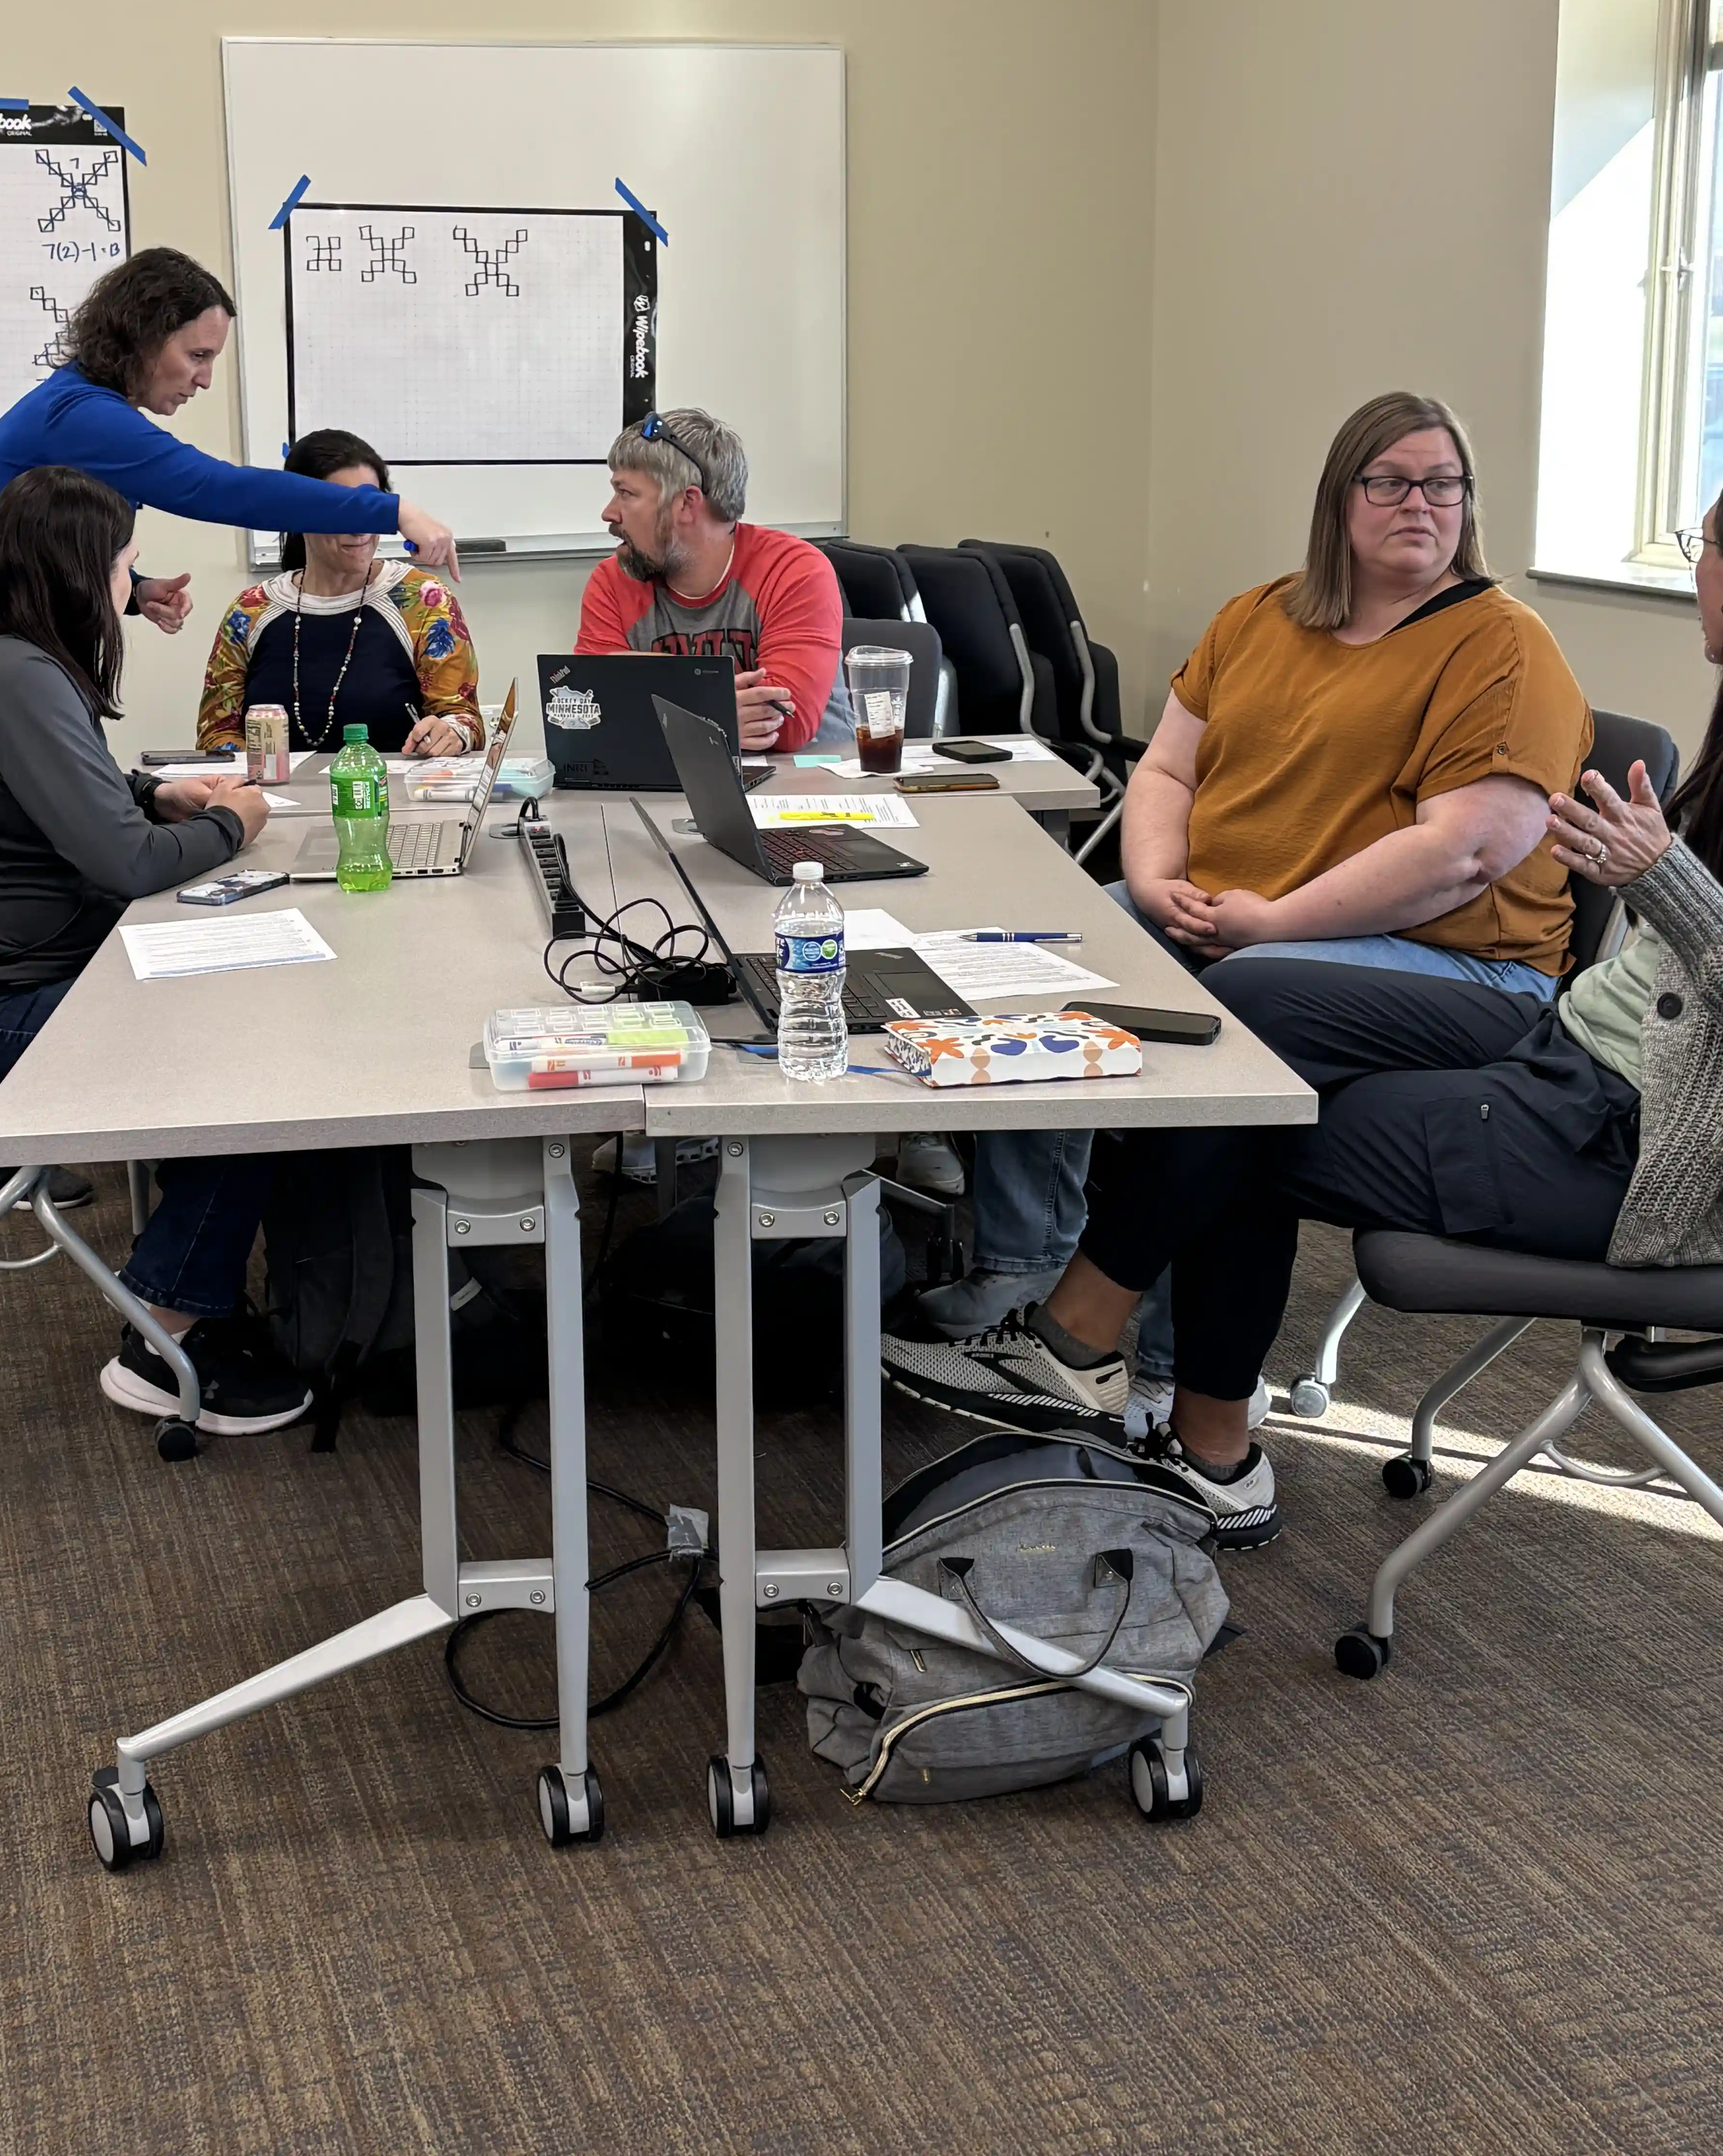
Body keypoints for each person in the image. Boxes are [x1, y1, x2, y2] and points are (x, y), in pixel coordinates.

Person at [913, 487, 1723, 1553]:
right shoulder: (1270, 615)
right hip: (1572, 1068)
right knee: (1253, 1084)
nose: (1696, 566)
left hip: (1644, 1153)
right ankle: (1198, 1444)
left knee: (1252, 1061)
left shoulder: (1500, 646)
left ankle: (1099, 1357)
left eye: (1700, 546)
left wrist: (1666, 875)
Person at [900, 391, 1592, 1434]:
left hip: (1455, 968)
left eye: (1443, 484)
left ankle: (1135, 1352)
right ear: (1339, 497)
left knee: (1241, 1007)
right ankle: (1021, 1276)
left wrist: (1273, 923)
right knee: (1054, 953)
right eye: (1391, 481)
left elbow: (1467, 854)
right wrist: (1160, 879)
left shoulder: (1502, 645)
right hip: (1238, 920)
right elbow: (1168, 766)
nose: (1421, 503)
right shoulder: (1262, 614)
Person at [0, 463, 343, 1432]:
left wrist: (151, 793)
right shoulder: (18, 674)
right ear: (80, 574)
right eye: (126, 563)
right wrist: (238, 821)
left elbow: (62, 802)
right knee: (253, 1049)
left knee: (245, 996)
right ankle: (166, 1326)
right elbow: (126, 866)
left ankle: (209, 1264)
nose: (133, 583)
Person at [0, 248, 459, 730]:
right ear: (144, 337)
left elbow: (40, 552)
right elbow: (217, 488)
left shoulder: (84, 411)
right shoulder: (84, 416)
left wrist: (133, 591)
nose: (203, 378)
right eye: (196, 355)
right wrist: (392, 509)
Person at [576, 409, 854, 752]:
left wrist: (641, 698)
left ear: (687, 504)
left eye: (626, 493)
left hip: (806, 789)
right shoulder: (611, 582)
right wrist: (716, 712)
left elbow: (785, 724)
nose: (610, 512)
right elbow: (593, 717)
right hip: (676, 786)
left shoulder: (794, 570)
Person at [196, 429, 482, 758]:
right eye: (343, 506)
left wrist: (454, 733)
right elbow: (216, 734)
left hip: (394, 801)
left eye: (371, 506)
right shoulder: (250, 612)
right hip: (272, 803)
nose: (359, 527)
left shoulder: (423, 601)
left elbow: (463, 718)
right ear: (297, 512)